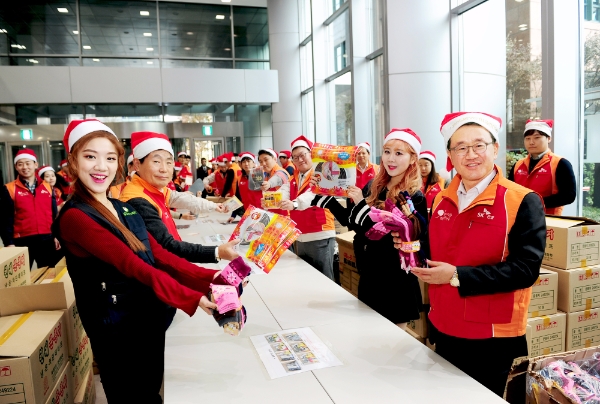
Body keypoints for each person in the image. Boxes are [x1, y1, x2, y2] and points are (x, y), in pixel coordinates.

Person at [53, 118, 221, 403]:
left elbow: (160, 254)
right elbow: (133, 264)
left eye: (109, 157)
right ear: (72, 161)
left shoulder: (123, 208)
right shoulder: (76, 217)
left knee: (151, 391)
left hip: (147, 318)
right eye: (90, 156)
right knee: (132, 396)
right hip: (117, 332)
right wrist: (190, 297)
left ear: (119, 162)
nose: (100, 166)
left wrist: (213, 279)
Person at [406, 112, 545, 397]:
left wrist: (457, 275)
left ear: (495, 148)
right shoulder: (442, 198)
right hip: (445, 326)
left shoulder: (521, 200)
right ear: (450, 155)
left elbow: (525, 271)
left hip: (494, 337)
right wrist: (410, 243)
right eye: (461, 147)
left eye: (479, 145)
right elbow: (440, 251)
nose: (471, 154)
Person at [313, 129, 427, 328]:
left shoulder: (413, 196)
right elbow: (353, 223)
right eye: (387, 151)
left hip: (395, 282)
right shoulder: (373, 186)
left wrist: (361, 207)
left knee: (391, 346)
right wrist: (326, 195)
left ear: (412, 159)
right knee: (368, 339)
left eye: (399, 153)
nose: (390, 159)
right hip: (369, 276)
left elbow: (382, 235)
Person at [119, 131, 239, 265]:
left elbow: (182, 198)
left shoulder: (154, 188)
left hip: (171, 262)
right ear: (137, 164)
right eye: (156, 162)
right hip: (161, 269)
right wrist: (216, 252)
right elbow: (167, 246)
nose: (164, 169)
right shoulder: (137, 199)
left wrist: (214, 206)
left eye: (169, 162)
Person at [280, 136, 337, 280]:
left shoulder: (322, 171)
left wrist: (294, 204)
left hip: (320, 233)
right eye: (295, 157)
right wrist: (272, 199)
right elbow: (283, 191)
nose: (299, 160)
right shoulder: (295, 177)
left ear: (310, 154)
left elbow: (313, 194)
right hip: (300, 234)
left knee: (324, 278)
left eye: (302, 155)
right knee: (306, 278)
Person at [0, 149, 60, 268]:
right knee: (23, 279)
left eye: (28, 163)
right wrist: (8, 243)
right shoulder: (9, 189)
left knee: (48, 276)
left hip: (46, 238)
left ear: (35, 165)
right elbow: (5, 218)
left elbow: (54, 214)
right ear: (16, 167)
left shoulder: (47, 187)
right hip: (21, 241)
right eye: (20, 164)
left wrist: (56, 235)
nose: (25, 167)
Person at [508, 119, 576, 215]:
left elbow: (568, 196)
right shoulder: (518, 165)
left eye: (537, 137)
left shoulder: (560, 163)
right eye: (527, 138)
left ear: (549, 138)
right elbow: (509, 191)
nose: (531, 142)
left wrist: (534, 203)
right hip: (520, 219)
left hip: (549, 220)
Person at [227, 152, 262, 223]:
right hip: (247, 212)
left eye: (248, 161)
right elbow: (237, 197)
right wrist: (233, 215)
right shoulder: (240, 178)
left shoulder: (259, 174)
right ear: (241, 164)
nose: (246, 164)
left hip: (260, 212)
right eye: (244, 162)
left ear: (253, 162)